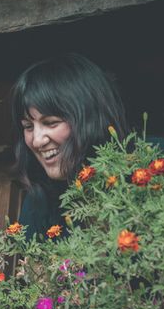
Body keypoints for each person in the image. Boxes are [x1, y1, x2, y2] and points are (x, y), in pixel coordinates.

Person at [11, 53, 129, 240]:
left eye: (51, 122)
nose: (37, 140)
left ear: (89, 118)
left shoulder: (153, 165)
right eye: (28, 126)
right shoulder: (38, 203)